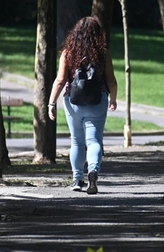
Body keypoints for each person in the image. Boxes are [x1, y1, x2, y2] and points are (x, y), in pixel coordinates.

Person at [48, 16, 117, 194]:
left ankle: (77, 179)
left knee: (77, 142)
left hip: (73, 102)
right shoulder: (103, 54)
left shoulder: (68, 53)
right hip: (97, 101)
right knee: (94, 141)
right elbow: (112, 82)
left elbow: (60, 80)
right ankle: (93, 171)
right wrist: (113, 99)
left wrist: (51, 103)